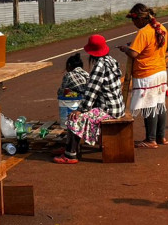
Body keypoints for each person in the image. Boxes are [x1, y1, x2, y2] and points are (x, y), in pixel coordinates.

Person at [53, 35, 124, 164]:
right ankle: (70, 146)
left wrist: (81, 110)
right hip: (118, 107)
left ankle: (70, 154)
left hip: (108, 109)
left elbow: (91, 91)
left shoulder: (99, 66)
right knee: (78, 115)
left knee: (73, 119)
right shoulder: (111, 60)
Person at [118, 3, 168, 148]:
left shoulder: (144, 32)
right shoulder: (161, 28)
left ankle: (150, 140)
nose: (133, 23)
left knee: (149, 106)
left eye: (134, 20)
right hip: (160, 72)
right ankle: (161, 137)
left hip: (147, 74)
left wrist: (125, 49)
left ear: (140, 19)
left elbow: (134, 53)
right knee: (160, 105)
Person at [57, 53, 89, 125]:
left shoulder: (69, 75)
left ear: (69, 65)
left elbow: (60, 92)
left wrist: (67, 93)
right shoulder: (86, 74)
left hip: (79, 103)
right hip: (88, 102)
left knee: (66, 94)